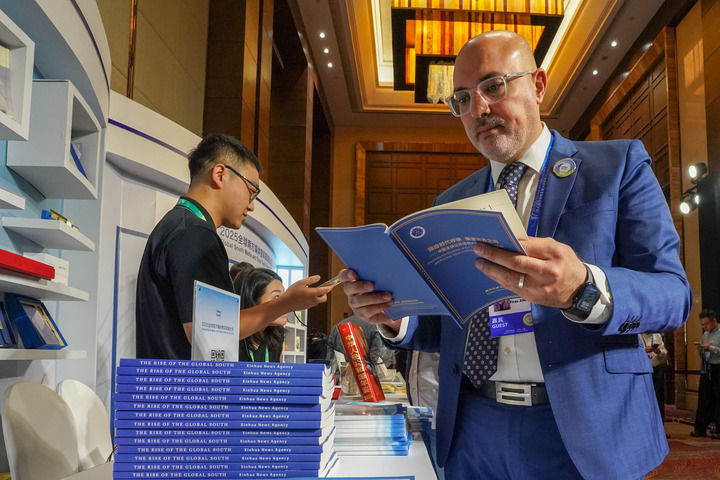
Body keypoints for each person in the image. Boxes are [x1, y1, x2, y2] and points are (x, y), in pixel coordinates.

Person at [339, 30, 691, 479]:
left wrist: (584, 288)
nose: (479, 109)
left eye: (493, 86)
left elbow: (673, 294)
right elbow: (446, 326)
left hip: (585, 428)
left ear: (538, 85)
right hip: (473, 427)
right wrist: (394, 317)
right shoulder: (451, 202)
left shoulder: (616, 166)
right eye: (463, 98)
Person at [135, 134, 332, 359]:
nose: (252, 206)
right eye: (251, 190)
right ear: (220, 174)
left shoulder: (179, 225)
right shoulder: (195, 233)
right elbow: (212, 332)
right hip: (183, 382)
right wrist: (286, 303)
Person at [230, 262, 287, 362]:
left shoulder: (277, 337)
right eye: (276, 297)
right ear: (252, 300)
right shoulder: (230, 338)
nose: (285, 303)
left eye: (285, 296)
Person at [325, 315, 395, 368]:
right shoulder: (377, 326)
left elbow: (329, 354)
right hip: (362, 375)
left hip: (338, 374)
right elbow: (375, 357)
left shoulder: (338, 325)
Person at [692, 309, 720, 438]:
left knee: (718, 398)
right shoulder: (705, 334)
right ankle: (700, 428)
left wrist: (711, 348)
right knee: (704, 398)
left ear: (714, 321)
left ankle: (718, 429)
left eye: (706, 324)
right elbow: (704, 353)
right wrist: (701, 350)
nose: (704, 327)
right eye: (702, 324)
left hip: (718, 367)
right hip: (707, 367)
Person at [640, 333, 670, 423]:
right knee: (644, 399)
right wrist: (643, 350)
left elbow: (665, 353)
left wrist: (659, 352)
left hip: (656, 370)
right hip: (643, 370)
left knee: (658, 399)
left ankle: (660, 425)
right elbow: (632, 352)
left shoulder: (657, 335)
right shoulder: (637, 335)